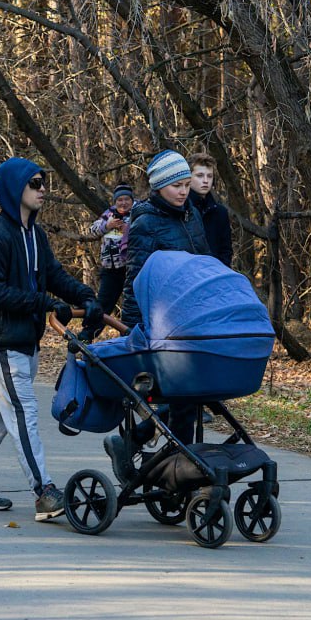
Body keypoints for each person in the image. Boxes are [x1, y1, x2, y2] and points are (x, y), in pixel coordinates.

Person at [0, 158, 99, 522]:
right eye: (35, 183)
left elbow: (53, 275)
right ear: (15, 188)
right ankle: (44, 491)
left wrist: (85, 297)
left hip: (25, 338)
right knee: (22, 413)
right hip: (1, 340)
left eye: (44, 182)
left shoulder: (35, 234)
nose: (43, 188)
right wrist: (44, 302)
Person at [113, 149, 210, 458]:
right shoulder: (146, 223)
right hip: (164, 322)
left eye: (185, 184)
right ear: (158, 187)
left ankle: (146, 446)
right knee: (183, 396)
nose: (183, 192)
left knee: (190, 397)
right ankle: (179, 462)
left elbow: (204, 262)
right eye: (176, 186)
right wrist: (130, 330)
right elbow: (135, 279)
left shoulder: (191, 214)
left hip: (192, 317)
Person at [88, 183, 135, 335]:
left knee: (132, 306)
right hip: (110, 270)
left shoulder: (138, 214)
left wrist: (127, 229)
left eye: (126, 199)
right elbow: (92, 231)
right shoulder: (108, 215)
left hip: (131, 269)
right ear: (115, 201)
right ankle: (87, 336)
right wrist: (107, 226)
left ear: (132, 200)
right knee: (102, 306)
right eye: (119, 200)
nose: (123, 203)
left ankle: (130, 338)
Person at [187, 152, 233, 268]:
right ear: (188, 177)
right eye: (200, 175)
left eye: (209, 176)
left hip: (215, 275)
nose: (206, 180)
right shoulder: (180, 208)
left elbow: (226, 251)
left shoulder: (220, 212)